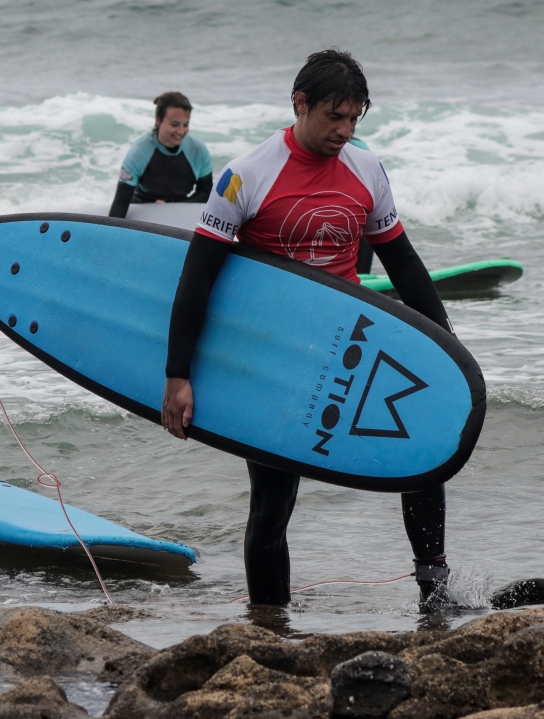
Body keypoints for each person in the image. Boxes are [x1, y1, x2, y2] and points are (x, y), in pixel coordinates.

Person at [160, 49, 458, 612]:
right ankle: (270, 621)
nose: (344, 131)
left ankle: (435, 593)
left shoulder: (366, 169)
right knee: (273, 498)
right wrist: (178, 374)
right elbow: (197, 279)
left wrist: (447, 346)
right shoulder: (245, 175)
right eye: (333, 116)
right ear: (300, 104)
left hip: (352, 343)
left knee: (420, 452)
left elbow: (402, 262)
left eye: (354, 119)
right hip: (275, 356)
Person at [108, 92, 213, 218]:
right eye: (174, 124)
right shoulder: (139, 151)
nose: (181, 131)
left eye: (185, 124)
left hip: (181, 209)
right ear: (158, 120)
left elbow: (206, 192)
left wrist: (171, 207)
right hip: (143, 207)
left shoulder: (197, 149)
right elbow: (120, 203)